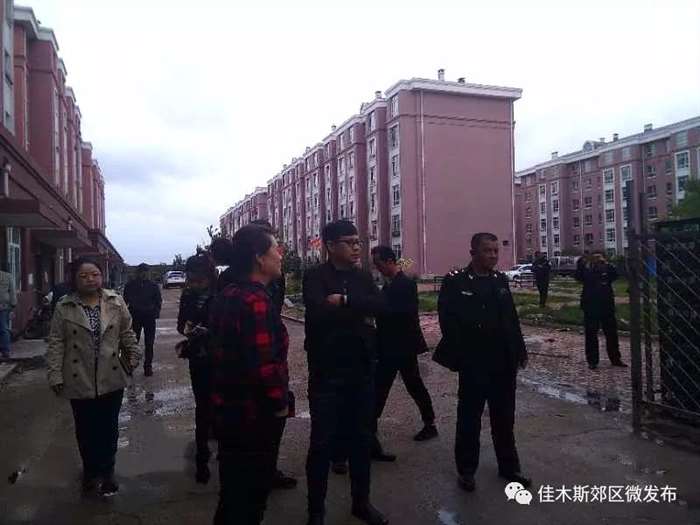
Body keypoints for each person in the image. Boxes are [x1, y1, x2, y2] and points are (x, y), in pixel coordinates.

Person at [303, 220, 388, 525]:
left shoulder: (362, 276)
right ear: (330, 246)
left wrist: (345, 302)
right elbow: (318, 313)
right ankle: (316, 511)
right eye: (349, 242)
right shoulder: (315, 277)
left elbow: (381, 306)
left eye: (357, 242)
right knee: (321, 444)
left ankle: (361, 503)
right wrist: (357, 312)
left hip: (361, 370)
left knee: (362, 440)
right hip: (327, 372)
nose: (356, 248)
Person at [433, 233, 530, 493]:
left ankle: (509, 467)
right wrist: (461, 355)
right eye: (488, 251)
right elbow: (447, 321)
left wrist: (519, 351)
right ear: (473, 252)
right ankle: (466, 470)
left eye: (496, 251)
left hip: (503, 362)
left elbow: (511, 319)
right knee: (469, 418)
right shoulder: (456, 281)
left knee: (504, 417)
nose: (494, 256)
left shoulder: (500, 280)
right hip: (474, 362)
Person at [208, 224, 290, 525]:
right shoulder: (255, 301)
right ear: (259, 258)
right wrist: (280, 403)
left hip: (228, 409)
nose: (280, 255)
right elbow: (263, 365)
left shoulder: (229, 293)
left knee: (232, 494)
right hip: (254, 415)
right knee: (251, 499)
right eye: (276, 248)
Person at [46, 257, 141, 496]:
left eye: (95, 274)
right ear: (74, 279)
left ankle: (108, 472)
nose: (90, 279)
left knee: (109, 428)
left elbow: (126, 332)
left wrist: (133, 354)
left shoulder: (115, 301)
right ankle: (90, 472)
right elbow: (56, 341)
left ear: (102, 276)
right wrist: (55, 374)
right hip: (79, 377)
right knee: (86, 429)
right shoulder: (64, 306)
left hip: (111, 375)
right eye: (84, 275)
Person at [371, 245, 437, 456]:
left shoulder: (405, 284)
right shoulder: (389, 285)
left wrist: (376, 308)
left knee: (404, 385)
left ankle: (429, 423)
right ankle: (370, 429)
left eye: (379, 264)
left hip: (401, 346)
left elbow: (402, 314)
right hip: (390, 345)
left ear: (390, 261)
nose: (377, 268)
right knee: (385, 386)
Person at [249, 219, 297, 490]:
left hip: (270, 350)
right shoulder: (245, 292)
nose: (280, 252)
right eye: (274, 244)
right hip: (254, 386)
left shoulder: (274, 282)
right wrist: (278, 396)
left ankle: (268, 468)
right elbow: (258, 357)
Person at [177, 254, 217, 484]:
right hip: (199, 358)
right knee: (202, 407)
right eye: (191, 279)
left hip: (221, 358)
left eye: (199, 279)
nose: (194, 284)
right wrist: (189, 329)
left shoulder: (223, 292)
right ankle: (202, 458)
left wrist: (210, 331)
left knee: (222, 405)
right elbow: (181, 324)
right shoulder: (188, 295)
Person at [574, 252, 627, 370]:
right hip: (591, 305)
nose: (597, 260)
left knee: (611, 333)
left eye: (599, 258)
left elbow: (616, 275)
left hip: (606, 305)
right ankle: (592, 361)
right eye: (595, 258)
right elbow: (578, 276)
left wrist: (606, 264)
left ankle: (615, 358)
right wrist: (582, 262)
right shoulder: (587, 270)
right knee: (591, 334)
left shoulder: (607, 269)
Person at [123, 263, 162, 376]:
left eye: (146, 272)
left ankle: (148, 366)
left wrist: (155, 313)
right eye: (141, 272)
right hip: (135, 316)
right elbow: (125, 301)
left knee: (149, 343)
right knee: (133, 343)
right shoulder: (130, 285)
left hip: (149, 317)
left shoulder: (153, 286)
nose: (144, 274)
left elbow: (158, 301)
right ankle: (130, 365)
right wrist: (126, 316)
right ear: (138, 273)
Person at [0, 261, 17, 359]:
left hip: (3, 306)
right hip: (4, 306)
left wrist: (12, 305)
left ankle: (5, 350)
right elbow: (12, 292)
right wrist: (13, 305)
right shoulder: (8, 276)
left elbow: (12, 292)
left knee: (3, 328)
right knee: (4, 328)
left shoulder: (7, 276)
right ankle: (5, 350)